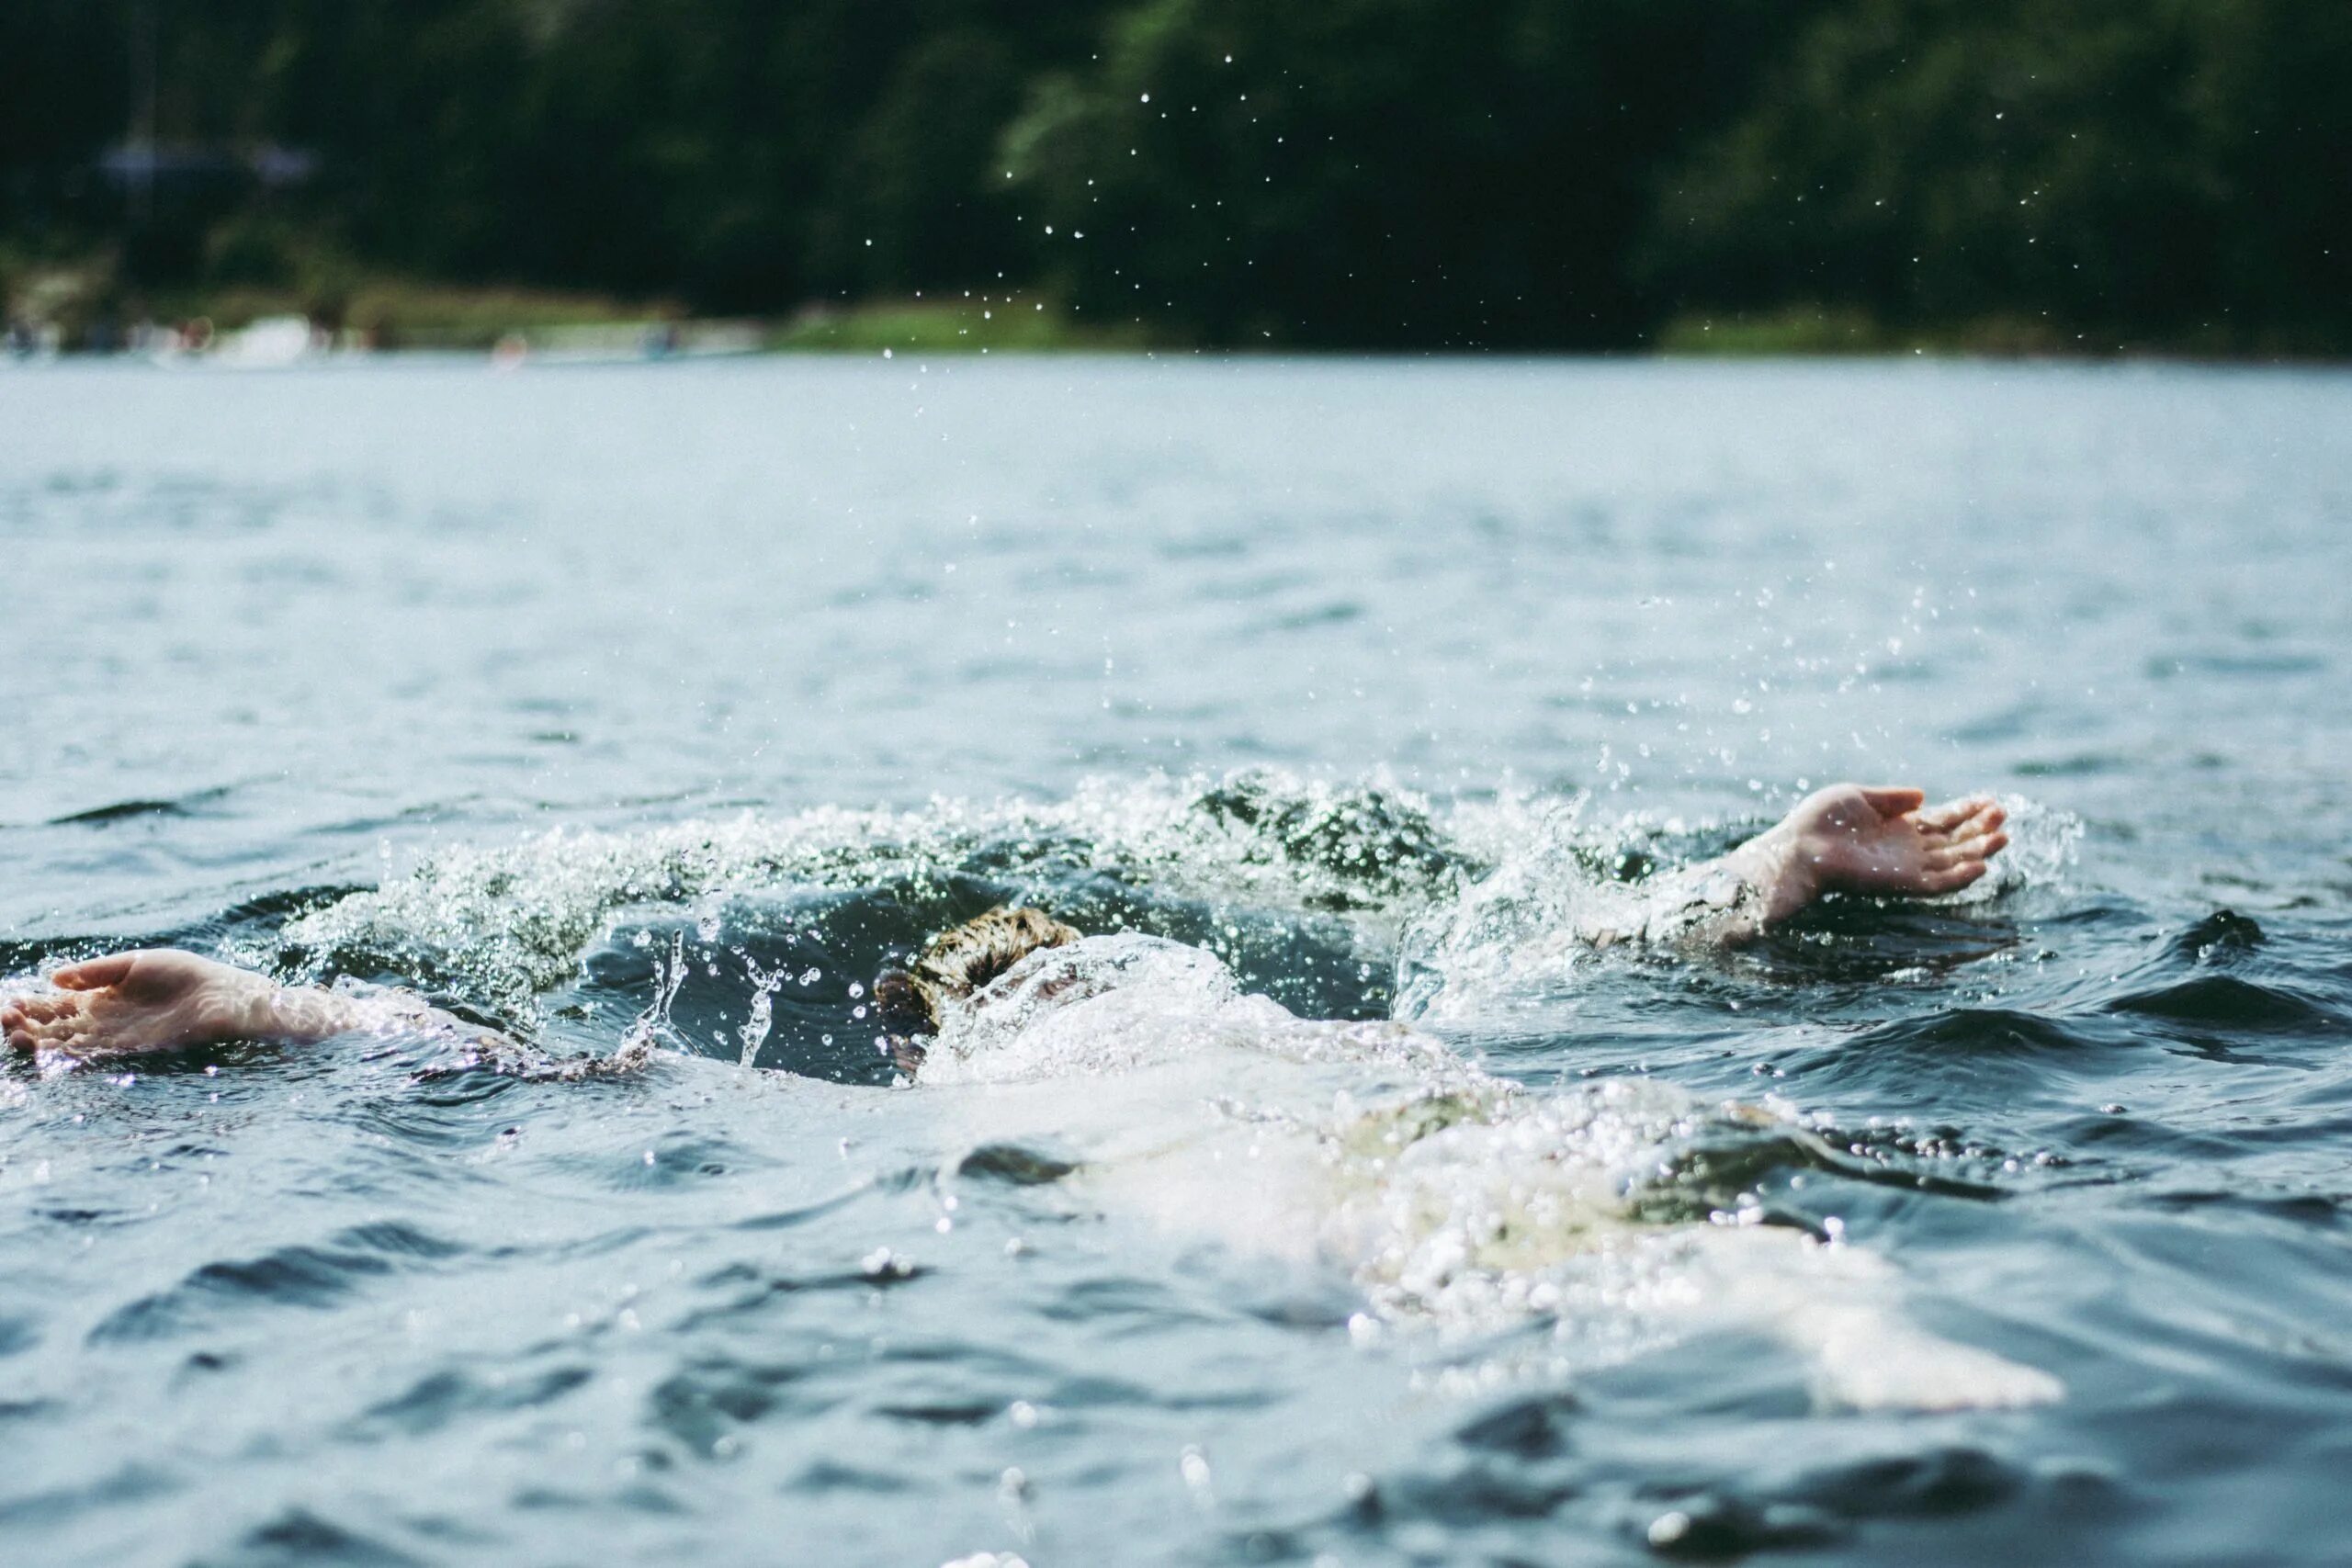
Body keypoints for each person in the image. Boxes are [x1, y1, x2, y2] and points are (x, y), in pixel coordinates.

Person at [2, 784, 2006, 1063]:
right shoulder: (1283, 999)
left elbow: (552, 1072)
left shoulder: (965, 1095)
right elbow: (1561, 961)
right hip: (1366, 1069)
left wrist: (256, 1003)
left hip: (1198, 1130)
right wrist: (1761, 871)